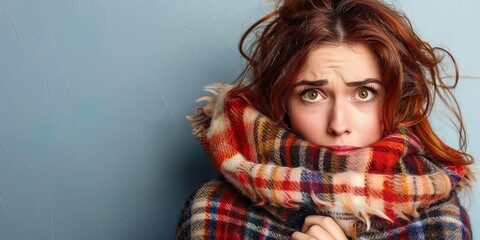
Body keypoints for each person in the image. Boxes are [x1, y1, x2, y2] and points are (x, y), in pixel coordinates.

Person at [176, 0, 475, 239]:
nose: (339, 124)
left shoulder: (439, 219)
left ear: (396, 98)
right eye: (312, 95)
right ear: (282, 103)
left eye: (364, 93)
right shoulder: (214, 212)